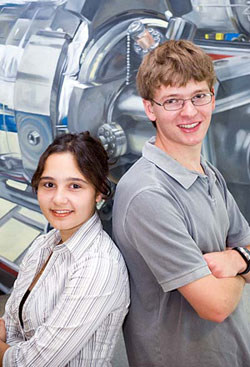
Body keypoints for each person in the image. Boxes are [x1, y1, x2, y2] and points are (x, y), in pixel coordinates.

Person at [112, 40, 250, 367]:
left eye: (199, 96)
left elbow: (245, 245)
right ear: (149, 108)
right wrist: (245, 265)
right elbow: (214, 305)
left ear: (213, 99)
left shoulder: (207, 172)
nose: (190, 112)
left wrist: (236, 260)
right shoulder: (148, 194)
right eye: (172, 100)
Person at [0, 132, 130, 366]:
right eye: (49, 184)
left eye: (75, 186)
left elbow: (30, 364)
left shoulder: (98, 264)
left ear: (99, 192)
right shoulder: (44, 244)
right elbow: (9, 323)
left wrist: (10, 352)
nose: (58, 199)